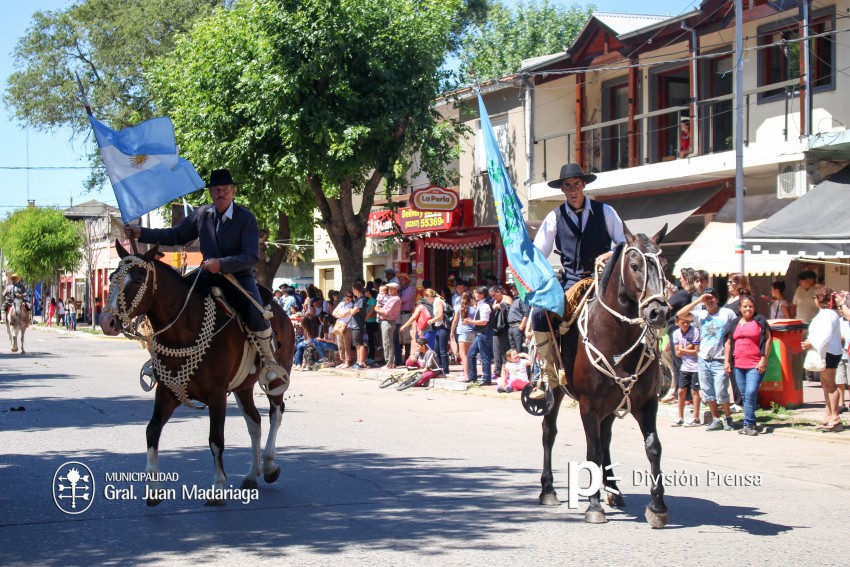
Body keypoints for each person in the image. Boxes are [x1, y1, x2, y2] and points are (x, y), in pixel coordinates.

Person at [125, 168, 286, 388]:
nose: (221, 193)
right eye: (217, 190)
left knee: (255, 312)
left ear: (233, 192)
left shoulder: (245, 218)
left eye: (225, 189)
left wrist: (221, 264)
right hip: (207, 274)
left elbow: (250, 256)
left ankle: (268, 361)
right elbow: (176, 235)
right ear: (211, 192)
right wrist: (141, 233)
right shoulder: (202, 214)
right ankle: (160, 359)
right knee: (175, 302)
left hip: (238, 278)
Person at [531, 163, 626, 391]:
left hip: (604, 278)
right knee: (539, 315)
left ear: (583, 185)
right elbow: (538, 252)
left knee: (640, 308)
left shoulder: (606, 211)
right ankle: (550, 372)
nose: (572, 190)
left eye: (576, 184)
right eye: (567, 186)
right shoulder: (554, 217)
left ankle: (650, 366)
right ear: (562, 190)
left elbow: (623, 242)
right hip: (572, 281)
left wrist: (611, 254)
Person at [678, 287, 737, 432]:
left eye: (711, 298)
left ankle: (728, 418)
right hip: (704, 359)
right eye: (706, 298)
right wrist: (698, 300)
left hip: (719, 358)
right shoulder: (700, 315)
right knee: (708, 391)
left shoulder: (727, 313)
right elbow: (680, 314)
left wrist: (729, 357)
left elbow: (735, 329)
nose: (709, 301)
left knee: (721, 390)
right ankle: (716, 419)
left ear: (717, 299)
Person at [724, 295, 771, 436]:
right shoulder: (734, 323)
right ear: (739, 308)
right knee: (745, 395)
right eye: (745, 306)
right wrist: (726, 361)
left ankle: (749, 423)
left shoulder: (760, 321)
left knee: (751, 392)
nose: (748, 309)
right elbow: (727, 343)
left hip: (755, 364)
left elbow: (768, 339)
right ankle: (750, 422)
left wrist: (764, 358)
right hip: (738, 364)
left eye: (750, 306)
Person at [803, 286, 844, 431]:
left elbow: (825, 335)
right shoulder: (829, 313)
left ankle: (835, 417)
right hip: (829, 351)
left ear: (819, 299)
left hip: (829, 352)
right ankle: (828, 416)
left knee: (829, 384)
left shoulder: (827, 314)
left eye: (815, 297)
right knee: (826, 385)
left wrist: (810, 342)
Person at [672, 313, 701, 427]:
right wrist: (688, 347)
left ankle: (696, 418)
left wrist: (683, 349)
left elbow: (696, 351)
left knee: (694, 391)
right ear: (677, 322)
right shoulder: (676, 333)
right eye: (682, 322)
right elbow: (677, 353)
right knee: (681, 391)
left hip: (696, 366)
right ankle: (680, 417)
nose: (685, 324)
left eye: (687, 322)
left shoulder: (695, 331)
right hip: (685, 366)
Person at [463, 286, 494, 385]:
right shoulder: (480, 304)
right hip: (479, 333)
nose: (475, 294)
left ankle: (486, 379)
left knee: (484, 356)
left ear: (482, 295)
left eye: (476, 293)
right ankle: (472, 377)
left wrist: (471, 321)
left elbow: (484, 321)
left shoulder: (485, 305)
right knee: (471, 354)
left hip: (484, 332)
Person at [451, 289, 476, 382]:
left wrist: (451, 331)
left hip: (462, 332)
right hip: (472, 332)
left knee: (463, 354)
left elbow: (455, 320)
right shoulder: (474, 308)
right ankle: (469, 372)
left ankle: (466, 374)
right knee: (469, 353)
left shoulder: (459, 307)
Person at [375, 282, 401, 369]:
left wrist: (377, 309)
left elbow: (386, 312)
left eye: (392, 289)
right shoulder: (390, 298)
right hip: (387, 321)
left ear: (396, 289)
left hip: (388, 321)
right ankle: (390, 362)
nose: (390, 290)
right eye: (389, 289)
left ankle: (389, 363)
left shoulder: (395, 299)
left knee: (387, 343)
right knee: (387, 342)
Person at [489, 285, 513, 379]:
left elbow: (509, 313)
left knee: (504, 350)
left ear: (499, 292)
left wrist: (502, 307)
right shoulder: (495, 301)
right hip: (496, 328)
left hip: (504, 328)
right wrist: (495, 307)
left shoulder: (507, 299)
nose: (493, 298)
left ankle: (505, 370)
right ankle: (497, 370)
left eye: (494, 295)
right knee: (496, 350)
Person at [396, 273, 416, 362]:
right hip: (399, 314)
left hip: (406, 314)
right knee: (399, 336)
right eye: (399, 279)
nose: (400, 281)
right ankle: (399, 357)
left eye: (402, 279)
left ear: (406, 280)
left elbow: (402, 299)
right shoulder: (400, 289)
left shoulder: (409, 290)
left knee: (406, 335)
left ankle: (407, 357)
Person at [348, 283, 369, 370]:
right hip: (355, 324)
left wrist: (350, 309)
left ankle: (361, 362)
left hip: (359, 324)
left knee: (361, 344)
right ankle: (358, 361)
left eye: (353, 290)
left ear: (356, 290)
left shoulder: (361, 300)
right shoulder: (357, 300)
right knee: (357, 345)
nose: (353, 292)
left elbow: (353, 311)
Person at [332, 292, 355, 369]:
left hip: (347, 326)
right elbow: (333, 313)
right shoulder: (341, 303)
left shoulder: (352, 305)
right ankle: (343, 361)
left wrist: (339, 315)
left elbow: (345, 314)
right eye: (346, 296)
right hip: (339, 325)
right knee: (340, 344)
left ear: (352, 298)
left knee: (346, 344)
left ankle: (348, 361)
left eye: (350, 296)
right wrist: (339, 315)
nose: (348, 297)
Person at [506, 289, 530, 354]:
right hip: (511, 328)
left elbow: (526, 313)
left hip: (518, 327)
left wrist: (521, 327)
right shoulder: (515, 300)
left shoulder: (522, 299)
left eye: (513, 288)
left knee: (520, 350)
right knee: (514, 350)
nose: (511, 290)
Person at [365, 288, 382, 366]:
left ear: (368, 292)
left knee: (371, 340)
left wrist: (364, 320)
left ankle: (372, 356)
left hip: (371, 322)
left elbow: (371, 312)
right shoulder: (368, 300)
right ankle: (369, 356)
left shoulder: (373, 300)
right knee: (369, 340)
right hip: (368, 322)